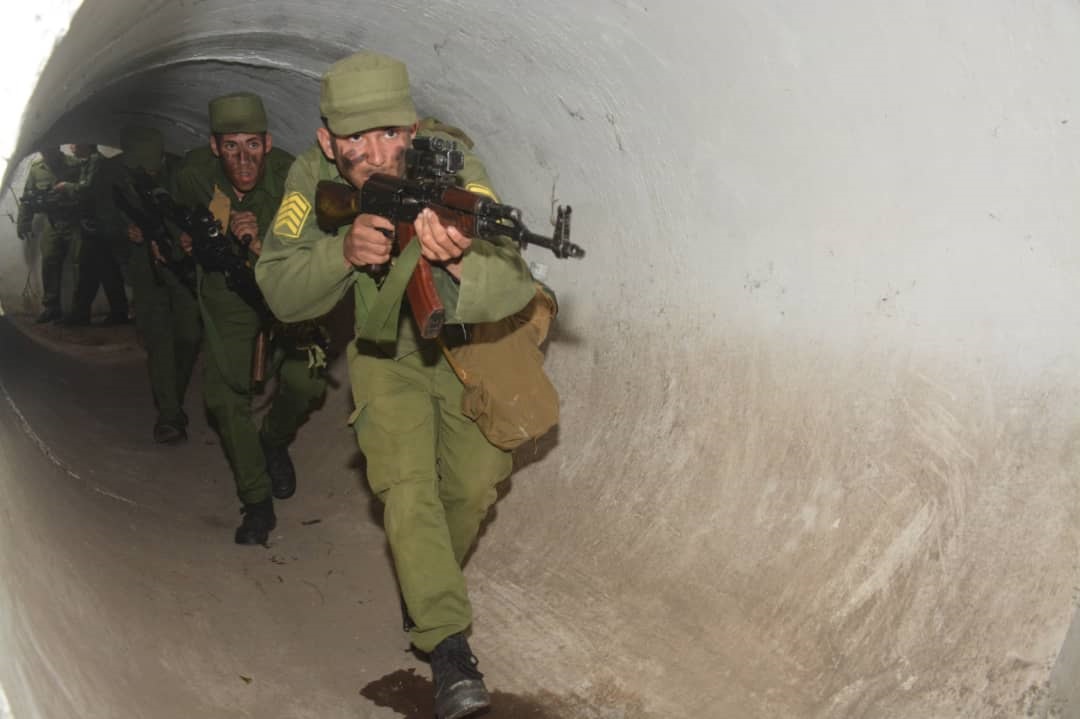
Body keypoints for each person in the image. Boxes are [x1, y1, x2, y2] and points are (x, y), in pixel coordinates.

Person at [255, 52, 537, 719]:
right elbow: (276, 284)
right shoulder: (309, 177)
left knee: (469, 487)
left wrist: (465, 257)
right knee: (405, 487)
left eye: (393, 132)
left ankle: (426, 583)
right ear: (328, 140)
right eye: (359, 138)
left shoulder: (450, 164)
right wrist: (339, 252)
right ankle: (447, 643)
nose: (381, 153)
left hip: (468, 343)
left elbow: (516, 277)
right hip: (385, 346)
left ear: (413, 126)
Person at [172, 92, 327, 544]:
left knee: (307, 381)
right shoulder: (194, 174)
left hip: (287, 289)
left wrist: (262, 244)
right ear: (215, 146)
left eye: (254, 146)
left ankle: (274, 441)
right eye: (232, 147)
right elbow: (183, 213)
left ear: (269, 142)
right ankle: (257, 500)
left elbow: (310, 252)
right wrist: (187, 238)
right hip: (229, 294)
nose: (244, 159)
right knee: (223, 399)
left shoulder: (291, 179)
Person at [112, 127, 203, 444]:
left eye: (156, 164)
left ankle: (171, 397)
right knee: (160, 340)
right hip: (144, 270)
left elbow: (194, 208)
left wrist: (186, 237)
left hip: (180, 265)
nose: (151, 171)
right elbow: (101, 217)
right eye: (145, 166)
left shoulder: (179, 172)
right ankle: (169, 416)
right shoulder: (115, 179)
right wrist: (128, 231)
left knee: (190, 334)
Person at [55, 143, 131, 326]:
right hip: (96, 226)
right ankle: (107, 313)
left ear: (86, 144)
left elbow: (87, 190)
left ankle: (86, 314)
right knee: (99, 270)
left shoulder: (96, 163)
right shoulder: (90, 163)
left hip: (100, 226)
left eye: (75, 143)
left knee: (96, 269)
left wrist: (66, 187)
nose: (72, 146)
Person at [16, 146, 82, 324]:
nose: (47, 152)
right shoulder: (37, 169)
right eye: (44, 148)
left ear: (58, 146)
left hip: (74, 221)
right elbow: (27, 196)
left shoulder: (75, 164)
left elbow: (86, 191)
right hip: (51, 222)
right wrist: (23, 222)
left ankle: (80, 310)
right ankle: (52, 307)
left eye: (50, 147)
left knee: (80, 264)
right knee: (50, 262)